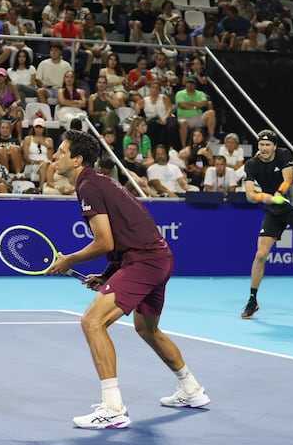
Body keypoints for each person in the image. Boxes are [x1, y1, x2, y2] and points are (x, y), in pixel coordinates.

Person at [46, 129, 209, 429]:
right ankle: (191, 389)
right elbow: (125, 236)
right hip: (158, 258)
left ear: (77, 159)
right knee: (147, 329)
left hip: (144, 262)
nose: (55, 156)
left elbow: (104, 242)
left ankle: (113, 408)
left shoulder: (88, 187)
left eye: (61, 151)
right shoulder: (101, 181)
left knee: (92, 322)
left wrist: (68, 259)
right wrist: (108, 274)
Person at [241, 129, 293, 319]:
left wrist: (279, 193)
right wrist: (266, 197)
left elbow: (287, 179)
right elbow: (249, 194)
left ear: (274, 147)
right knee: (261, 254)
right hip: (274, 211)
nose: (264, 148)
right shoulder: (252, 164)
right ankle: (252, 300)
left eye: (268, 145)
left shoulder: (284, 155)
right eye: (261, 145)